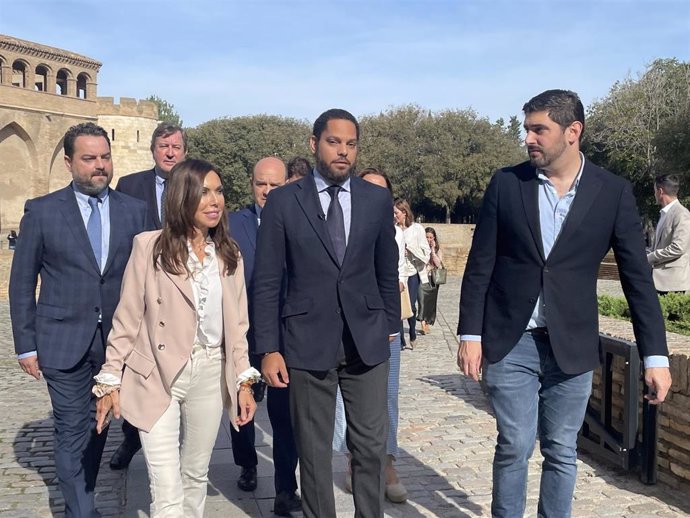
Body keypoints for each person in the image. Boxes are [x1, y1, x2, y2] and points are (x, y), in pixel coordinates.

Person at [458, 89, 672, 518]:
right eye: (527, 129)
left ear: (573, 132)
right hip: (511, 338)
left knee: (561, 449)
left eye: (539, 129)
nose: (528, 138)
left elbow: (636, 280)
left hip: (571, 344)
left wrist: (655, 355)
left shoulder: (612, 192)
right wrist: (470, 333)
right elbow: (480, 264)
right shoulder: (507, 183)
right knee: (515, 443)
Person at [252, 109, 400, 518]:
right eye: (334, 142)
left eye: (351, 144)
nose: (343, 152)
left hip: (366, 342)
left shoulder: (375, 199)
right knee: (314, 452)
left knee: (370, 445)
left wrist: (389, 325)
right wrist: (268, 348)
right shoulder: (283, 201)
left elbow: (386, 269)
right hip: (305, 342)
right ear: (314, 143)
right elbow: (266, 282)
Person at [94, 158, 259, 518]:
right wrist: (110, 378)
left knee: (195, 474)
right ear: (182, 197)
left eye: (218, 191)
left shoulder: (229, 255)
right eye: (203, 192)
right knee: (166, 488)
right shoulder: (149, 247)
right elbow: (127, 318)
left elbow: (238, 327)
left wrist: (243, 382)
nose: (214, 200)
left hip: (210, 371)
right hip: (157, 373)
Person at [9, 122, 148, 518]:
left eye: (104, 157)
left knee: (98, 426)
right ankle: (81, 512)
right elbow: (22, 282)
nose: (99, 166)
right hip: (61, 341)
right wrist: (26, 344)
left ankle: (80, 501)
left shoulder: (134, 212)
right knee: (71, 431)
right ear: (69, 162)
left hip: (117, 346)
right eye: (89, 158)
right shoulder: (42, 211)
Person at [109, 122, 187, 469]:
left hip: (182, 292)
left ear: (184, 152)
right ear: (153, 150)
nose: (170, 153)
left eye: (176, 147)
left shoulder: (193, 182)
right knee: (138, 369)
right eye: (163, 147)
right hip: (143, 292)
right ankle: (132, 438)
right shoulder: (130, 186)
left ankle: (179, 442)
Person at [228, 156, 301, 516]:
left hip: (285, 337)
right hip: (244, 334)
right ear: (252, 185)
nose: (267, 191)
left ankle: (286, 487)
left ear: (286, 184)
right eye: (261, 184)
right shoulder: (232, 225)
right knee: (241, 406)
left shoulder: (298, 221)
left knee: (285, 414)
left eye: (275, 184)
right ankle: (247, 463)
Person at [332, 167, 408, 503]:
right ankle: (354, 462)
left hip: (384, 326)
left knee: (386, 399)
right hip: (345, 325)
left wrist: (392, 324)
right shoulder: (340, 224)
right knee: (346, 403)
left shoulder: (392, 229)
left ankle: (387, 464)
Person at [394, 198, 430, 349]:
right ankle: (401, 339)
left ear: (404, 213)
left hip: (413, 272)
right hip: (397, 272)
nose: (394, 216)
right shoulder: (393, 229)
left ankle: (413, 333)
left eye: (396, 213)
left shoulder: (417, 229)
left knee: (412, 306)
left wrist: (410, 250)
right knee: (398, 306)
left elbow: (426, 254)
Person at [647, 173, 690, 294]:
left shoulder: (682, 214)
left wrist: (651, 257)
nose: (654, 194)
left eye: (655, 191)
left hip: (672, 284)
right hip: (659, 280)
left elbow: (678, 247)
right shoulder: (665, 214)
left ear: (660, 191)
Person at [418, 227, 443, 335]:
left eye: (430, 237)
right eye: (427, 237)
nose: (428, 239)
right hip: (422, 277)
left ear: (434, 238)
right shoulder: (420, 248)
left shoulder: (438, 250)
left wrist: (432, 250)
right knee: (422, 300)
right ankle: (423, 323)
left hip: (433, 279)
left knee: (431, 302)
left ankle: (428, 322)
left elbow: (438, 264)